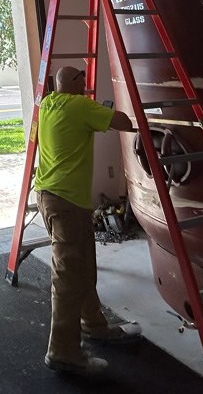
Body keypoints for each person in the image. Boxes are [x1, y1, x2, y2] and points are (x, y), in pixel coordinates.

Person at [36, 65, 142, 376]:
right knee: (68, 277)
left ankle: (94, 325)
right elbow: (124, 123)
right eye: (84, 79)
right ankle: (63, 352)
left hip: (49, 196)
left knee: (82, 266)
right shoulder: (81, 105)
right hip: (68, 202)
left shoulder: (47, 104)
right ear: (80, 83)